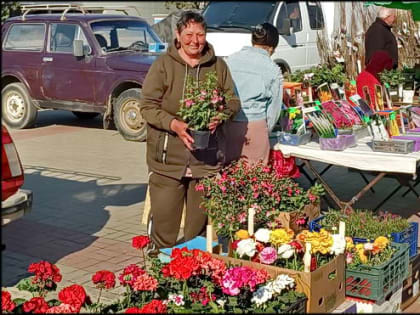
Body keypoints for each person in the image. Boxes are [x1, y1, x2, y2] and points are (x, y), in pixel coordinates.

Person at [139, 11, 240, 253]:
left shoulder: (218, 66)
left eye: (200, 35)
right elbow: (147, 106)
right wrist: (173, 124)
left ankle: (193, 277)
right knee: (165, 225)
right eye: (189, 35)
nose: (195, 41)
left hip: (205, 161)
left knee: (198, 231)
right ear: (177, 34)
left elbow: (233, 101)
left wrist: (221, 115)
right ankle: (159, 272)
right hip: (167, 160)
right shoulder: (163, 65)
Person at [225, 22, 283, 165]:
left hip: (228, 126)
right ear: (271, 48)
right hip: (255, 127)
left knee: (227, 177)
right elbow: (273, 112)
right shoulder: (272, 69)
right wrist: (264, 130)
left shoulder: (229, 60)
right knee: (255, 180)